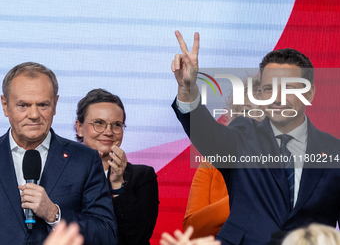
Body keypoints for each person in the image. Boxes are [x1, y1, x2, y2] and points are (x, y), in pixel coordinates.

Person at [171, 31, 340, 245]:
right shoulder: (244, 134)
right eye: (269, 88)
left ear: (309, 94)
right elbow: (208, 136)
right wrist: (188, 89)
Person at [0, 62, 118, 245]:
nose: (33, 114)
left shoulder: (85, 160)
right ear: (5, 105)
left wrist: (54, 214)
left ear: (55, 104)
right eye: (23, 105)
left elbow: (107, 235)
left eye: (43, 105)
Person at [75, 88, 159, 245]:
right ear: (79, 128)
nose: (108, 132)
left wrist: (117, 184)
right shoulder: (60, 172)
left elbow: (138, 237)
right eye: (98, 123)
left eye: (116, 125)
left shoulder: (142, 176)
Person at [183, 77, 263, 238]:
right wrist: (246, 199)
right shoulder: (210, 163)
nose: (251, 119)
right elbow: (191, 229)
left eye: (262, 112)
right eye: (245, 111)